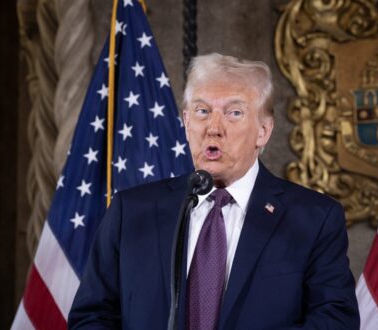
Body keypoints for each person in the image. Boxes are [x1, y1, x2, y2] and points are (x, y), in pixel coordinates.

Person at [68, 53, 359, 329]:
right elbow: (91, 316)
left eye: (234, 112)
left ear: (263, 131)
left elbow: (335, 320)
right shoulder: (131, 211)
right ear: (185, 122)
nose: (213, 128)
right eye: (202, 111)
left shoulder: (313, 219)